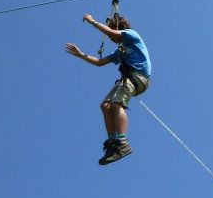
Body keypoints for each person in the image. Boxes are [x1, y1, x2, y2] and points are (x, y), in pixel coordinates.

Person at [65, 13, 152, 165]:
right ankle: (113, 143)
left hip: (138, 77)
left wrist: (92, 21)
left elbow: (111, 33)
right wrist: (80, 55)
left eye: (112, 35)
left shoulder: (131, 35)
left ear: (119, 28)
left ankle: (123, 143)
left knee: (116, 104)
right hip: (129, 79)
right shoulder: (120, 52)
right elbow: (99, 62)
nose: (110, 39)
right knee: (105, 106)